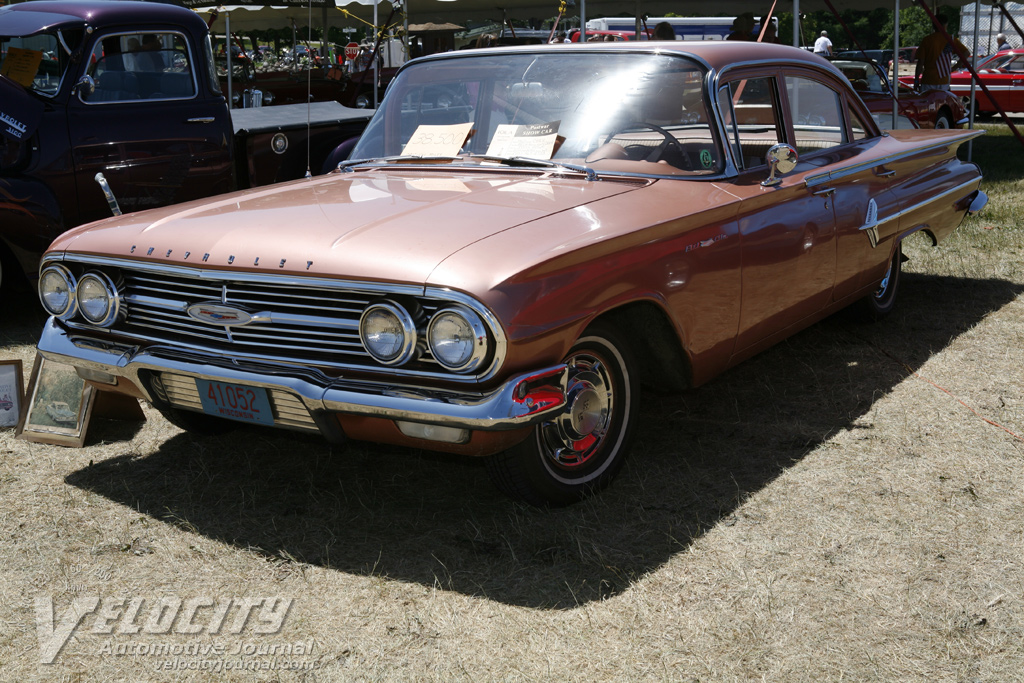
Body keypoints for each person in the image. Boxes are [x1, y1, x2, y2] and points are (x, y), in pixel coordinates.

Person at [915, 12, 968, 92]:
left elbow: (920, 63)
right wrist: (954, 68)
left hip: (928, 80)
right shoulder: (951, 40)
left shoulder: (926, 40)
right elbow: (966, 53)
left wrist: (916, 80)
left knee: (928, 104)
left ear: (933, 25)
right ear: (945, 25)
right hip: (944, 79)